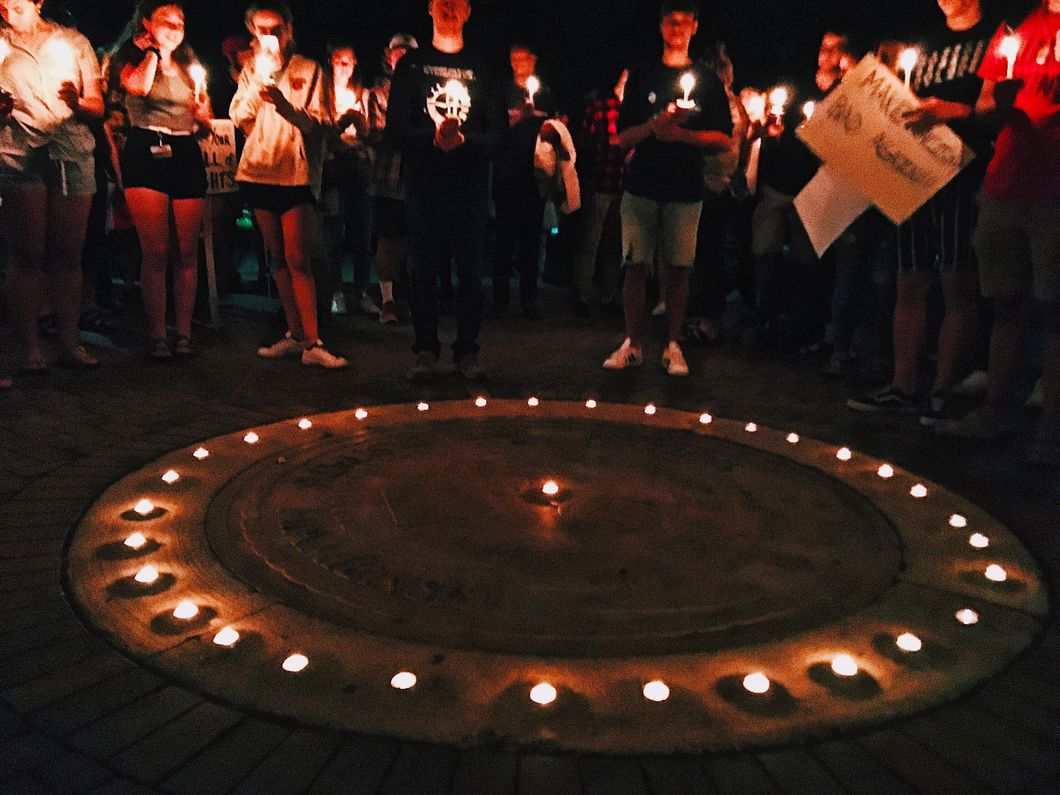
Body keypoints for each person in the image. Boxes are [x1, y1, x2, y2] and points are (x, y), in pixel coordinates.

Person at [847, 0, 996, 424]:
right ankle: (903, 385)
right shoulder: (926, 44)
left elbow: (995, 113)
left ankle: (943, 391)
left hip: (962, 175)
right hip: (913, 175)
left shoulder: (992, 40)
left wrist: (955, 111)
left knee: (956, 283)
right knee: (909, 280)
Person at [938, 0, 1060, 466]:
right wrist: (997, 105)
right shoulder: (1015, 25)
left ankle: (1052, 432)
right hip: (1005, 183)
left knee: (1054, 313)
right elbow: (987, 106)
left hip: (1054, 188)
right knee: (1005, 305)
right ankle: (996, 414)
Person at [603, 0, 732, 377]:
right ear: (661, 26)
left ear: (695, 26)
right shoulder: (642, 75)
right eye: (671, 22)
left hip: (685, 188)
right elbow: (622, 138)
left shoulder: (708, 81)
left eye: (684, 22)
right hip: (641, 186)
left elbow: (723, 139)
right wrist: (655, 126)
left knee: (679, 268)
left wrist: (681, 136)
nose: (677, 29)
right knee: (635, 266)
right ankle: (632, 342)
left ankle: (673, 345)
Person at [386, 0, 506, 382]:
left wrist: (464, 141)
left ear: (469, 10)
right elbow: (395, 130)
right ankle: (425, 350)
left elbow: (498, 134)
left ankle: (467, 352)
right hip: (424, 186)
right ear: (430, 8)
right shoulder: (411, 66)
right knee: (422, 272)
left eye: (457, 3)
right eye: (442, 2)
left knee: (470, 273)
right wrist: (433, 138)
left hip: (469, 189)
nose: (449, 8)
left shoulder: (483, 68)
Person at [230, 1, 347, 368]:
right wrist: (257, 86)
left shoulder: (309, 69)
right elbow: (239, 115)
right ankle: (295, 334)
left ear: (288, 30)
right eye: (261, 30)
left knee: (299, 257)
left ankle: (313, 341)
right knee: (277, 257)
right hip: (258, 170)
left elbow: (320, 122)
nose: (269, 36)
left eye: (275, 29)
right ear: (253, 32)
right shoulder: (251, 70)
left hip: (295, 173)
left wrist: (285, 106)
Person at [0, 0, 104, 374]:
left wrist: (77, 103)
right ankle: (30, 348)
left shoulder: (74, 42)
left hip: (70, 152)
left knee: (68, 254)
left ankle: (69, 343)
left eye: (15, 3)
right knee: (27, 254)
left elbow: (97, 106)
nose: (6, 9)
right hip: (19, 153)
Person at [108, 0, 211, 359]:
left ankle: (183, 334)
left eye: (180, 21)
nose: (175, 27)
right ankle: (157, 335)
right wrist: (153, 52)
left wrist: (203, 117)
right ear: (146, 23)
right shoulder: (129, 58)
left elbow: (204, 118)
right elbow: (138, 87)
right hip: (146, 147)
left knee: (186, 250)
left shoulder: (189, 65)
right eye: (165, 20)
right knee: (156, 251)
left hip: (184, 151)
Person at [491, 41, 557, 320]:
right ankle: (499, 297)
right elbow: (494, 128)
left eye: (524, 58)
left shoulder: (545, 94)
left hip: (535, 175)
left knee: (532, 238)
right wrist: (519, 118)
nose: (519, 64)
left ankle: (529, 297)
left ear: (534, 59)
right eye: (514, 58)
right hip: (507, 173)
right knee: (505, 237)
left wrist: (552, 128)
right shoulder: (502, 92)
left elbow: (556, 127)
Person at [321, 42, 374, 319]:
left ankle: (362, 292)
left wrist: (361, 126)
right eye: (339, 60)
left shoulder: (363, 95)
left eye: (349, 61)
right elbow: (321, 133)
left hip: (358, 165)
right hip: (331, 168)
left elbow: (370, 134)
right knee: (333, 232)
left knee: (361, 231)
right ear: (330, 61)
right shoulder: (322, 94)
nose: (344, 66)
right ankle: (336, 292)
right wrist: (340, 126)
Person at [366, 33, 417, 326]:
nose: (402, 57)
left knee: (414, 238)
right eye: (398, 52)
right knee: (388, 238)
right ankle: (388, 300)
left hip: (418, 177)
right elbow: (377, 133)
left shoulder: (425, 91)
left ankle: (411, 296)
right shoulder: (378, 94)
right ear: (389, 56)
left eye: (408, 53)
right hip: (389, 175)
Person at [571, 67, 627, 317]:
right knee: (590, 241)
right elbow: (583, 143)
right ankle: (582, 294)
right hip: (600, 182)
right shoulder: (599, 108)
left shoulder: (635, 111)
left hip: (624, 186)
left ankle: (609, 295)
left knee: (614, 244)